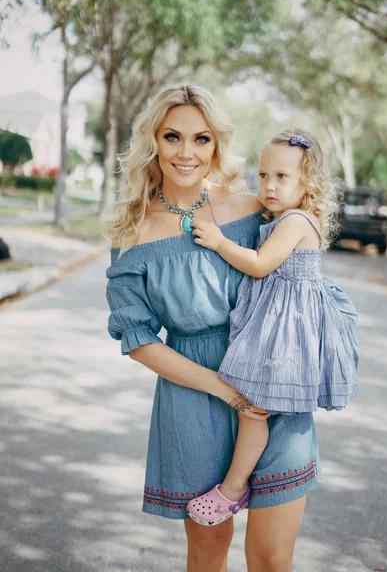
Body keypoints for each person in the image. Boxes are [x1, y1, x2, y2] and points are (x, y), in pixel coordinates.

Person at [104, 86, 355, 572]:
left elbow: (300, 274)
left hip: (275, 392)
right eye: (172, 136)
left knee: (270, 557)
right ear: (153, 141)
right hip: (196, 399)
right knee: (207, 552)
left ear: (216, 145)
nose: (186, 152)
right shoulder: (130, 232)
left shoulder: (250, 209)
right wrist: (230, 393)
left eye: (201, 139)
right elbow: (137, 340)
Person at [187, 129, 359, 526]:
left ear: (308, 183)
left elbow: (261, 264)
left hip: (285, 333)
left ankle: (233, 489)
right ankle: (238, 485)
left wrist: (217, 242)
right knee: (255, 408)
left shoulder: (297, 219)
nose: (269, 185)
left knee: (255, 410)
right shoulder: (285, 215)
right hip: (281, 324)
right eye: (264, 175)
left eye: (282, 177)